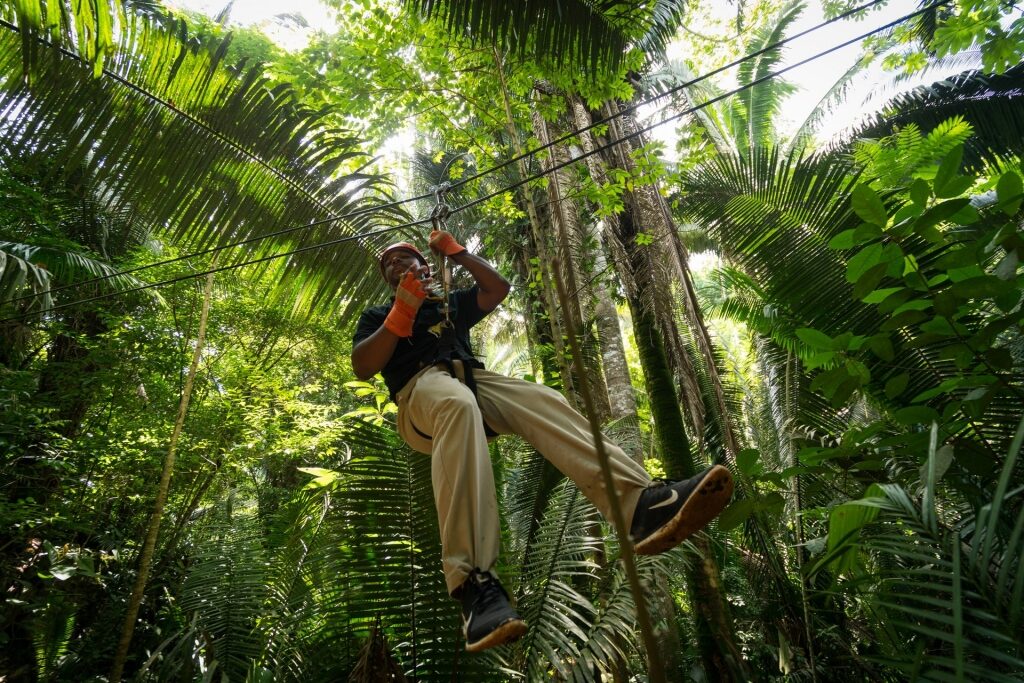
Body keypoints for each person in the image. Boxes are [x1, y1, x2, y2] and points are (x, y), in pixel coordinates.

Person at [351, 229, 734, 653]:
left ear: (424, 266)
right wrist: (399, 315)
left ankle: (639, 506)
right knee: (456, 405)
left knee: (542, 399)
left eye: (406, 258)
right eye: (390, 264)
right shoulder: (377, 315)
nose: (397, 265)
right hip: (420, 396)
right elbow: (364, 366)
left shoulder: (448, 305)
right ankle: (474, 585)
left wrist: (457, 253)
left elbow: (496, 288)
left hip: (471, 382)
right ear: (388, 280)